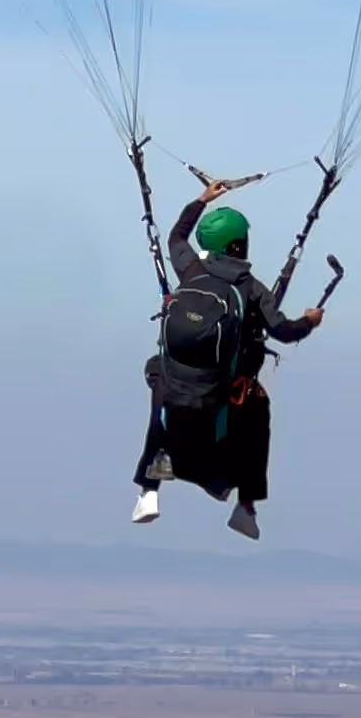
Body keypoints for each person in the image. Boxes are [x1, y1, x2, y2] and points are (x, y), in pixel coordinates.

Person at [134, 182, 325, 541]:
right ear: (238, 246)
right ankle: (246, 507)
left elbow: (176, 234)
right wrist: (310, 321)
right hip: (218, 390)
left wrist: (202, 199)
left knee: (161, 387)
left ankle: (147, 493)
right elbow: (284, 331)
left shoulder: (189, 270)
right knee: (259, 408)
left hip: (173, 384)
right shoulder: (251, 288)